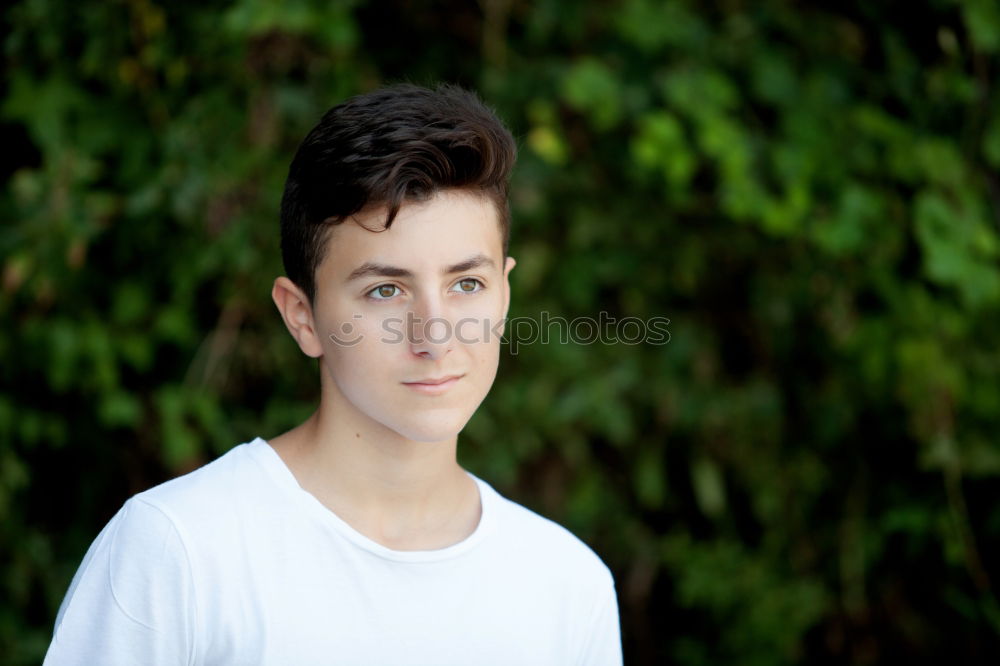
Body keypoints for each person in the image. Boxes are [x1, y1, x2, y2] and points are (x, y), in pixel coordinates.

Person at [43, 83, 622, 665]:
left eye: (466, 284)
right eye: (386, 290)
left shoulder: (568, 586)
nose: (435, 336)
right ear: (303, 317)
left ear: (504, 294)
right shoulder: (180, 551)